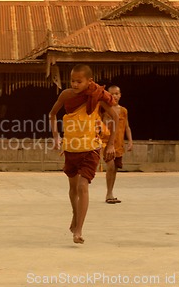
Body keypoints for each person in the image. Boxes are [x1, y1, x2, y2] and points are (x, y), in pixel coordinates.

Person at [49, 64, 118, 244]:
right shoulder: (66, 95)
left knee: (82, 186)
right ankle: (75, 213)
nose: (75, 84)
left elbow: (115, 118)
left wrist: (110, 144)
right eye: (72, 81)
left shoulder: (96, 97)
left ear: (90, 81)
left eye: (79, 81)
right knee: (72, 188)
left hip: (91, 148)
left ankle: (78, 230)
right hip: (71, 148)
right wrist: (56, 136)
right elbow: (52, 114)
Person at [100, 85, 133, 204]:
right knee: (110, 166)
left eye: (117, 94)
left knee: (115, 169)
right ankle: (108, 194)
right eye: (112, 94)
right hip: (106, 142)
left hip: (119, 144)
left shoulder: (123, 111)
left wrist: (130, 141)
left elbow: (127, 127)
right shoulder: (104, 109)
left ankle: (110, 192)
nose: (114, 96)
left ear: (120, 95)